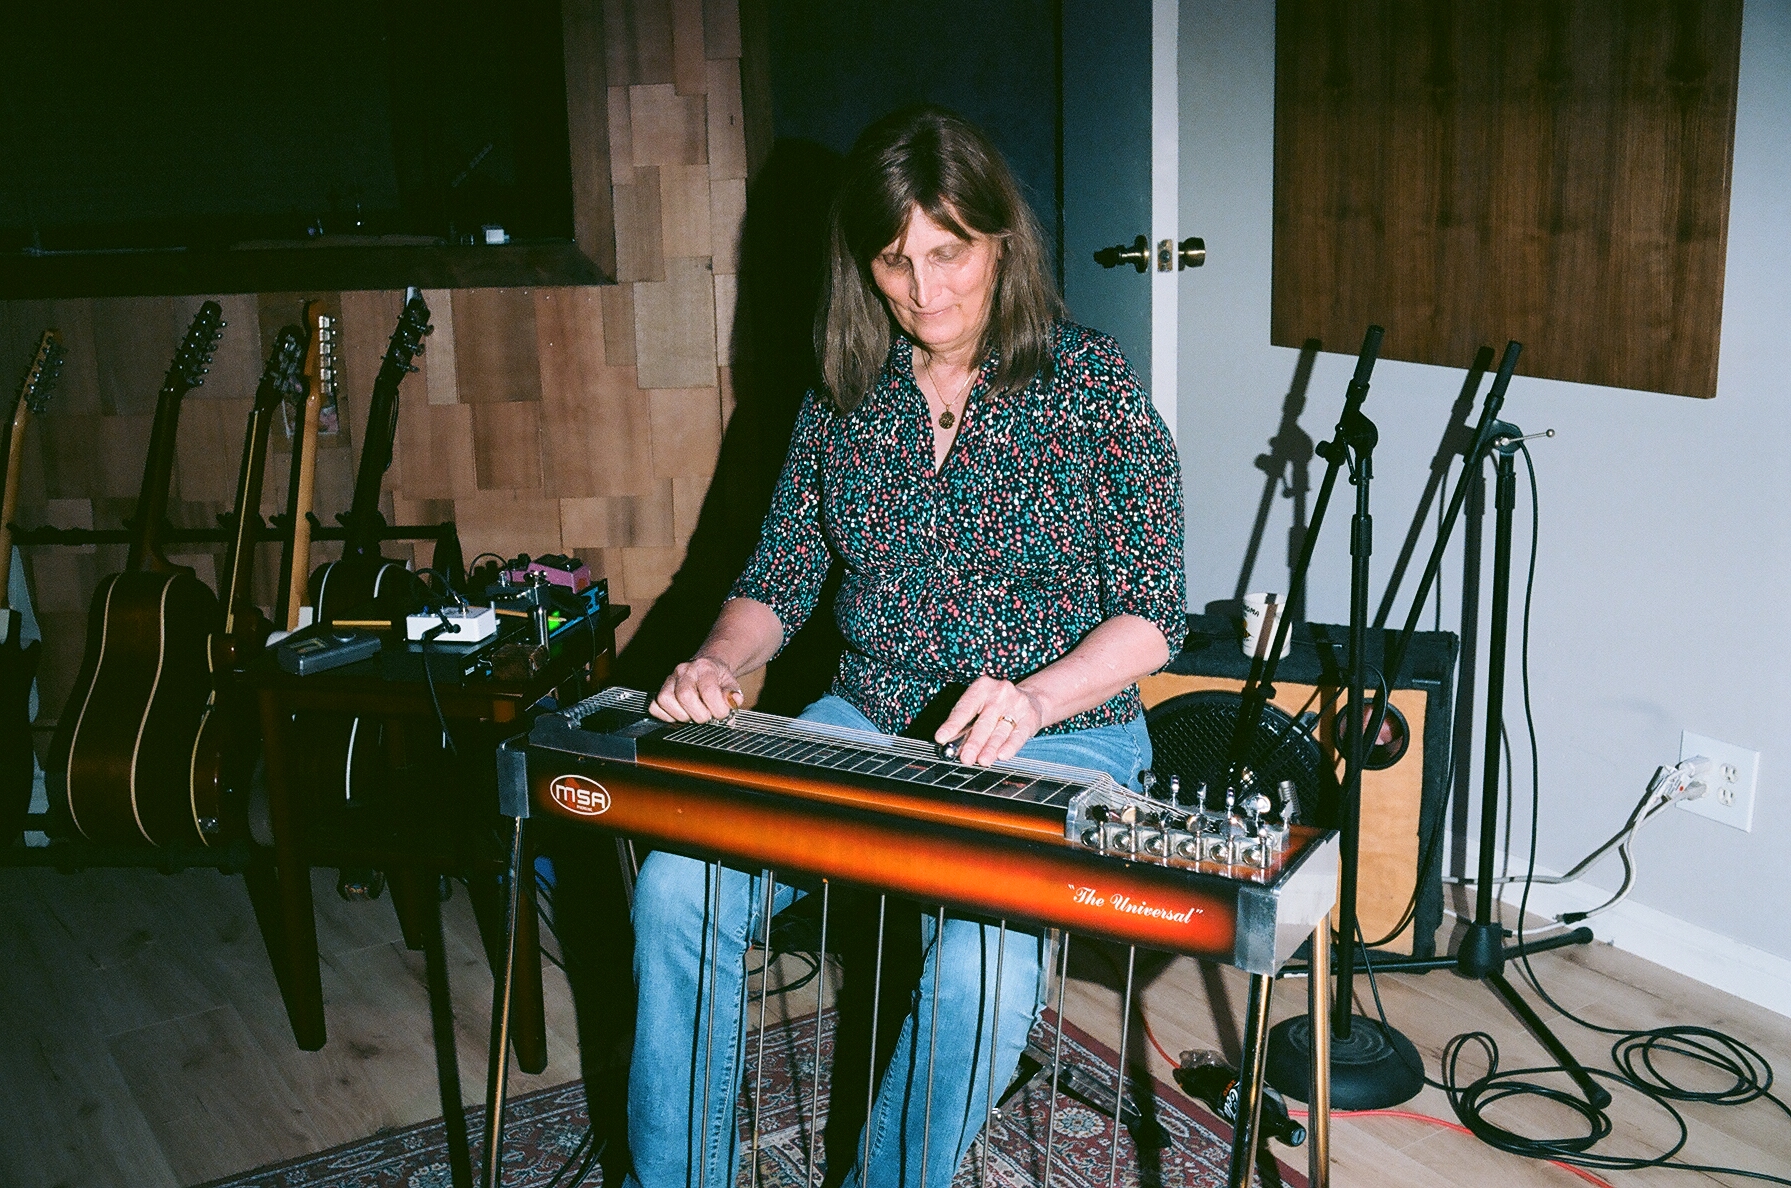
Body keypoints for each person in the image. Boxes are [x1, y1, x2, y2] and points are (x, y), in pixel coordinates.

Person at [629, 105, 1186, 1188]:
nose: (927, 291)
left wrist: (1031, 699)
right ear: (865, 267)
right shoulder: (846, 399)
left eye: (951, 253)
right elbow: (776, 583)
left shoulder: (1090, 384)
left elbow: (1153, 611)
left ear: (1001, 245)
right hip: (868, 714)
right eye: (897, 261)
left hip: (1065, 734)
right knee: (675, 887)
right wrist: (715, 662)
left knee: (982, 967)